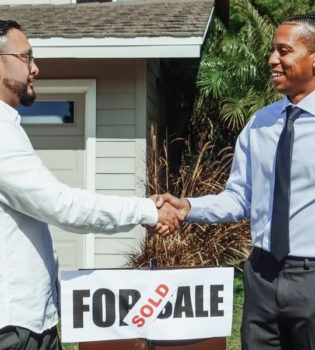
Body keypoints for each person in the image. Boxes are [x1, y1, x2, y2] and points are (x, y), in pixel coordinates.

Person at [156, 14, 315, 350]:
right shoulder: (260, 123)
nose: (272, 60)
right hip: (261, 278)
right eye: (273, 50)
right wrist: (188, 207)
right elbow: (239, 198)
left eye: (283, 51)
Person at [0, 20, 183, 350]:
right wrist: (146, 210)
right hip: (13, 327)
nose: (35, 68)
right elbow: (61, 205)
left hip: (26, 323)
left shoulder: (9, 126)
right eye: (26, 57)